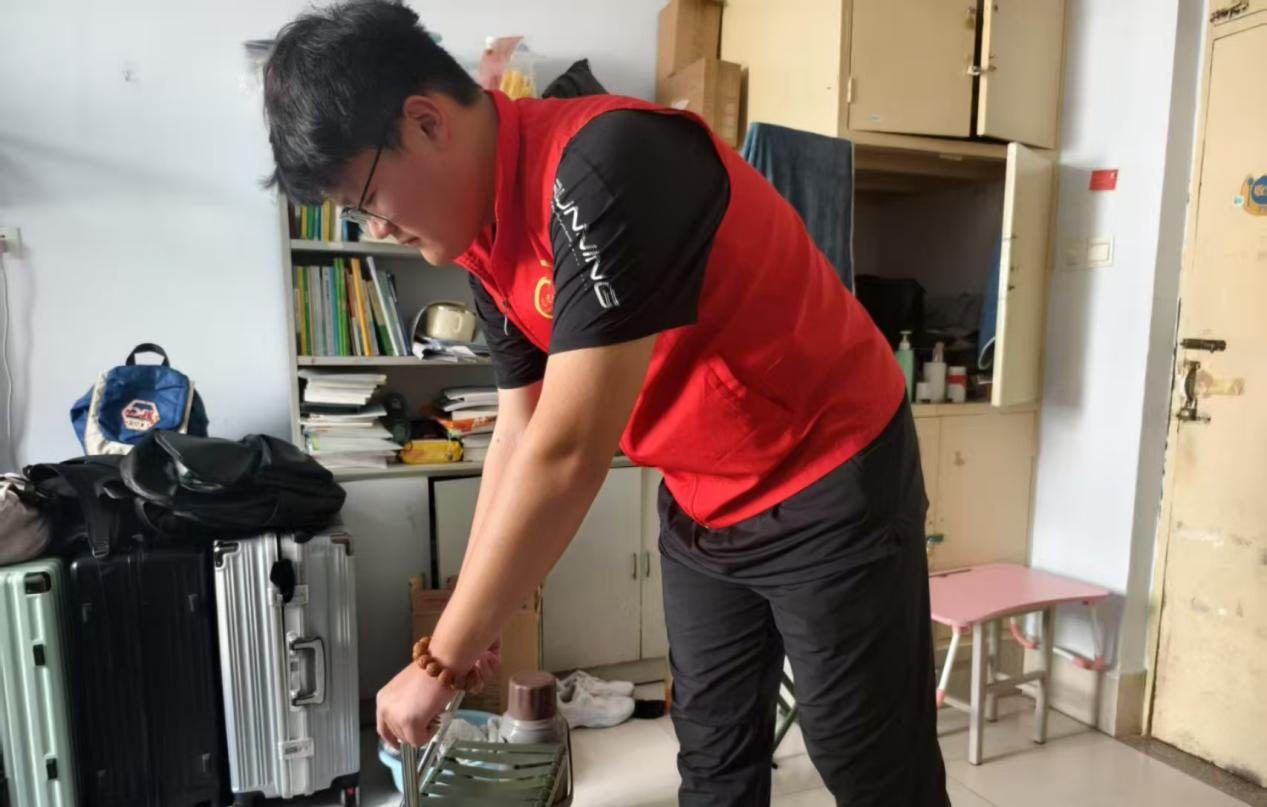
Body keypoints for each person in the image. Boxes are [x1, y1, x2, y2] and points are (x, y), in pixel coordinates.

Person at [262, 2, 948, 804]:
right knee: (713, 758)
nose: (376, 230)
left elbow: (568, 454)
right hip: (702, 495)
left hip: (826, 472)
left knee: (869, 766)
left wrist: (441, 663)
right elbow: (519, 434)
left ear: (425, 121)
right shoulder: (485, 239)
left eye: (368, 200)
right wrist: (472, 623)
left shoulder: (606, 163)